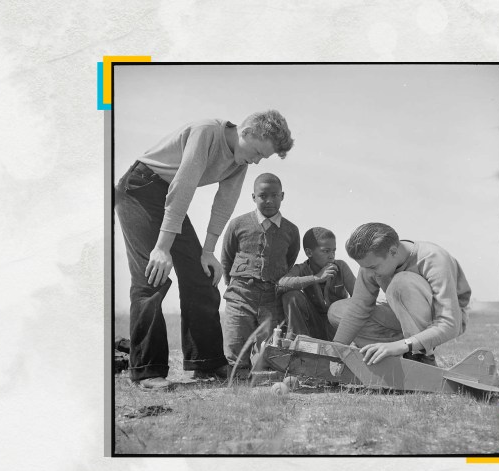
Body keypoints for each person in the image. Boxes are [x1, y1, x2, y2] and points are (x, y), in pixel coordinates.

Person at [115, 110, 294, 390]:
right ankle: (147, 370)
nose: (257, 161)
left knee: (201, 275)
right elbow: (183, 185)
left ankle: (207, 362)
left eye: (263, 158)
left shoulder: (240, 160)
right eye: (258, 152)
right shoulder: (206, 131)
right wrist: (162, 248)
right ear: (246, 132)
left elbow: (224, 203)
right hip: (139, 188)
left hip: (169, 196)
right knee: (152, 276)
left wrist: (208, 252)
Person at [328, 222, 471, 367]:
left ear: (393, 252)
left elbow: (450, 323)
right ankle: (384, 353)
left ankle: (420, 356)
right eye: (363, 267)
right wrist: (336, 349)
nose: (368, 272)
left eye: (372, 267)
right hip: (403, 318)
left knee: (400, 283)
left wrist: (406, 344)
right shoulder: (370, 264)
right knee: (338, 311)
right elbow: (358, 308)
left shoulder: (434, 258)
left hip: (446, 320)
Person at [220, 173, 300, 376]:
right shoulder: (237, 224)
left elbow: (289, 260)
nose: (269, 200)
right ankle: (238, 375)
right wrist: (235, 288)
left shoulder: (291, 231)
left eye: (274, 195)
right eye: (263, 195)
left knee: (271, 349)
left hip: (272, 298)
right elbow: (226, 259)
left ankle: (262, 370)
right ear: (253, 197)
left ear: (282, 196)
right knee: (235, 346)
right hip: (240, 295)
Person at [277, 227, 355, 340]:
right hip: (313, 327)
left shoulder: (341, 267)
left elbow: (360, 298)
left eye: (334, 250)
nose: (331, 256)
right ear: (309, 252)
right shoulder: (302, 269)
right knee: (291, 296)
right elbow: (281, 284)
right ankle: (299, 342)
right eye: (326, 251)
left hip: (337, 328)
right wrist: (317, 278)